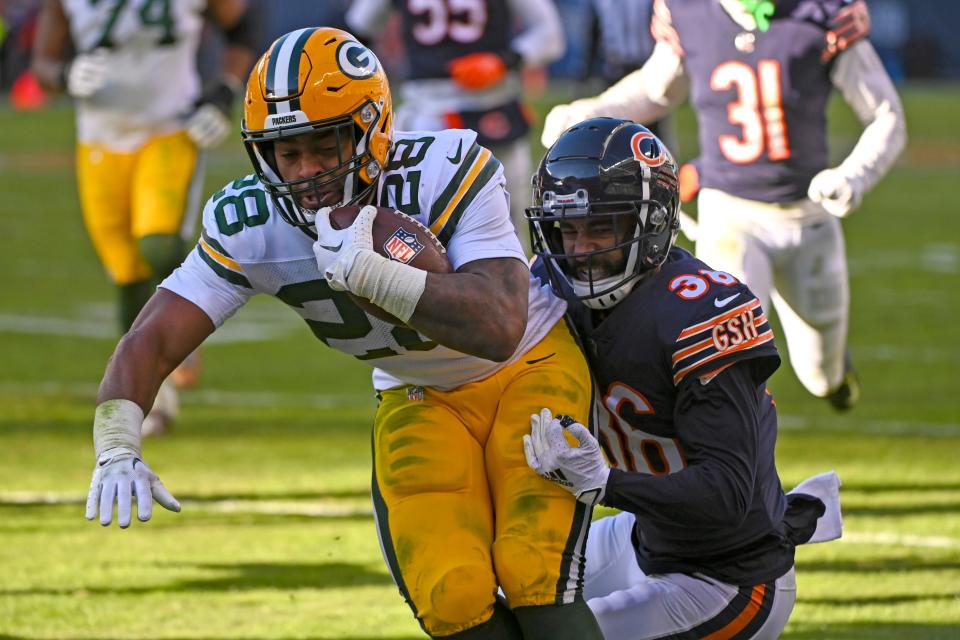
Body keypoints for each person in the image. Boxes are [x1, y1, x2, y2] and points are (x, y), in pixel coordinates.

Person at [82, 27, 605, 640]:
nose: (307, 172)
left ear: (372, 129)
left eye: (324, 146)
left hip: (527, 367)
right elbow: (152, 337)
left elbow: (499, 323)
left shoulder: (445, 166)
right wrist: (117, 443)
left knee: (533, 569)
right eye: (287, 152)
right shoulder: (250, 222)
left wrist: (382, 280)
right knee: (451, 594)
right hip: (418, 393)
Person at [523, 117, 843, 639]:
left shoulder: (697, 313)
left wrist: (605, 482)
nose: (578, 251)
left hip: (729, 576)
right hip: (647, 537)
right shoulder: (552, 284)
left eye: (600, 227)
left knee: (560, 636)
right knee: (498, 591)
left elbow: (728, 492)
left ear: (649, 225)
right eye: (567, 229)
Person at [540, 0, 907, 411]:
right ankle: (740, 462)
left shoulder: (821, 13)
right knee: (725, 358)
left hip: (809, 217)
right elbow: (655, 89)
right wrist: (590, 112)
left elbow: (886, 114)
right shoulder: (688, 11)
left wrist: (853, 176)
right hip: (731, 215)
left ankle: (836, 379)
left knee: (820, 374)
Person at [32, 0, 259, 433]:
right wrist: (63, 76)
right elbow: (43, 63)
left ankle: (188, 319)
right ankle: (153, 396)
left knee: (158, 241)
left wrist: (225, 89)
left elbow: (244, 27)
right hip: (99, 139)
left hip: (170, 128)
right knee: (126, 272)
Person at [345, 0, 566, 254]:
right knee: (427, 226)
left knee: (511, 221)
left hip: (493, 105)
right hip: (431, 110)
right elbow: (356, 33)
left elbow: (550, 35)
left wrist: (502, 62)